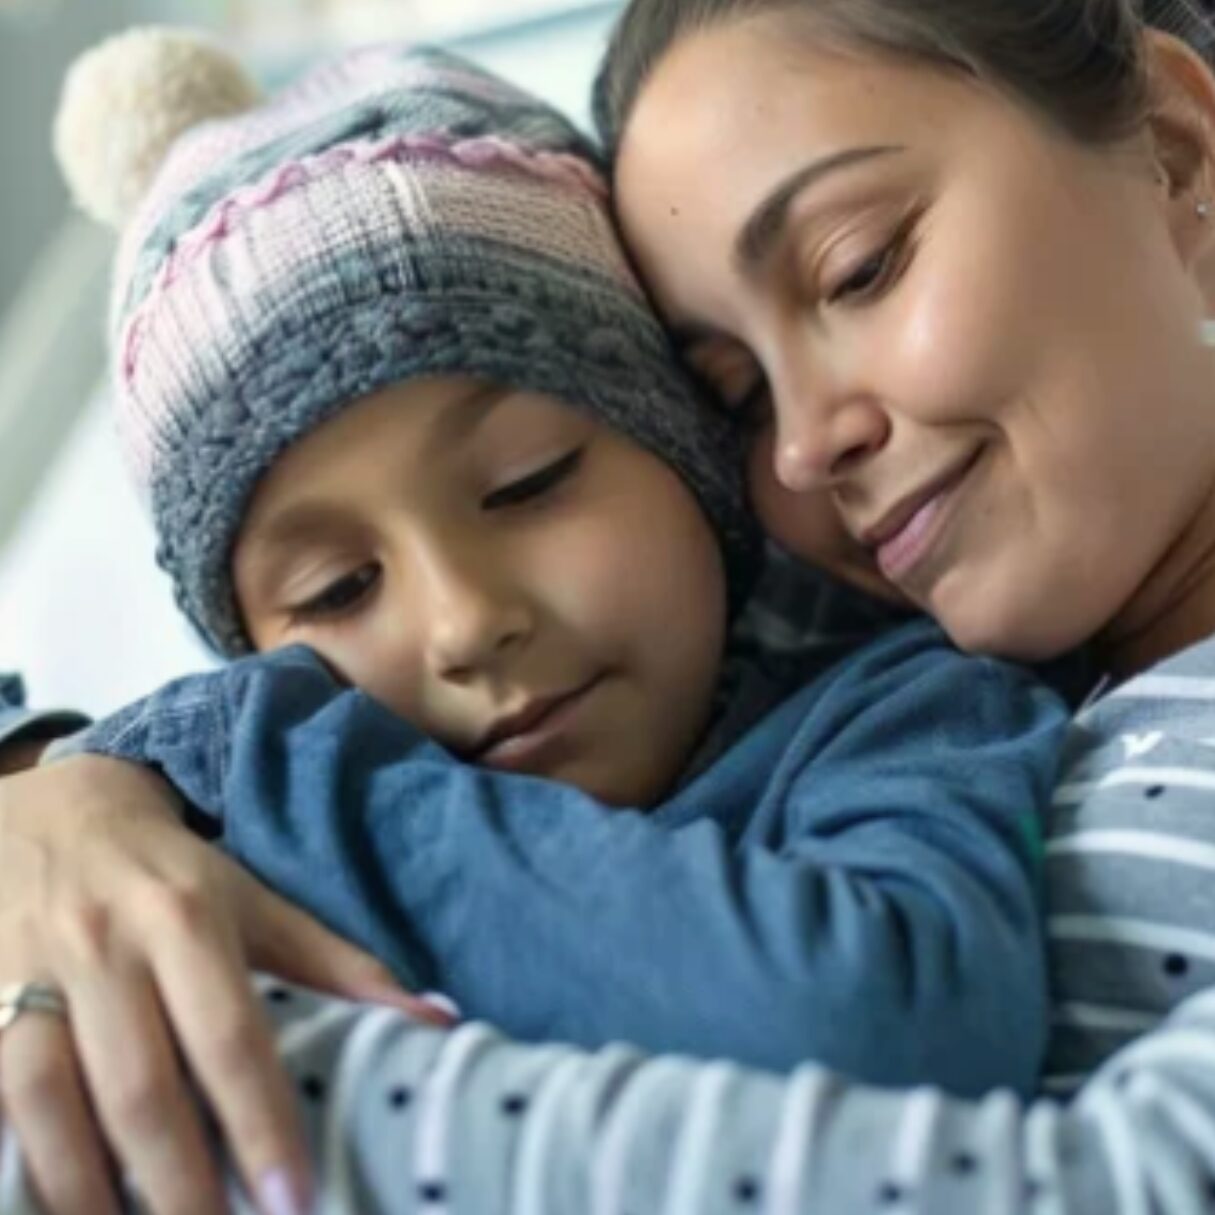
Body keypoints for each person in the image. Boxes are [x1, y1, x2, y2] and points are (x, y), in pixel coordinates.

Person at [15, 0, 1215, 1211]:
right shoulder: (831, 601)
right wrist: (65, 783)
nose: (802, 446)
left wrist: (240, 752)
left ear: (1177, 150)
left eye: (861, 266)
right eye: (735, 394)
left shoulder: (897, 712)